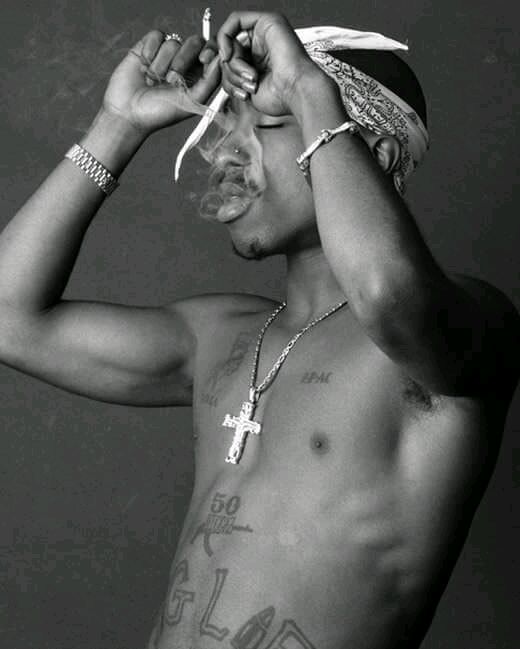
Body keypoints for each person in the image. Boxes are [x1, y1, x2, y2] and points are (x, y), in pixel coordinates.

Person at [0, 10, 518, 649]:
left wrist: (306, 87)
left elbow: (385, 295)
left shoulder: (464, 328)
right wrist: (119, 124)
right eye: (225, 128)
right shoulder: (218, 336)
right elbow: (9, 320)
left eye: (269, 125)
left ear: (374, 154)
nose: (226, 154)